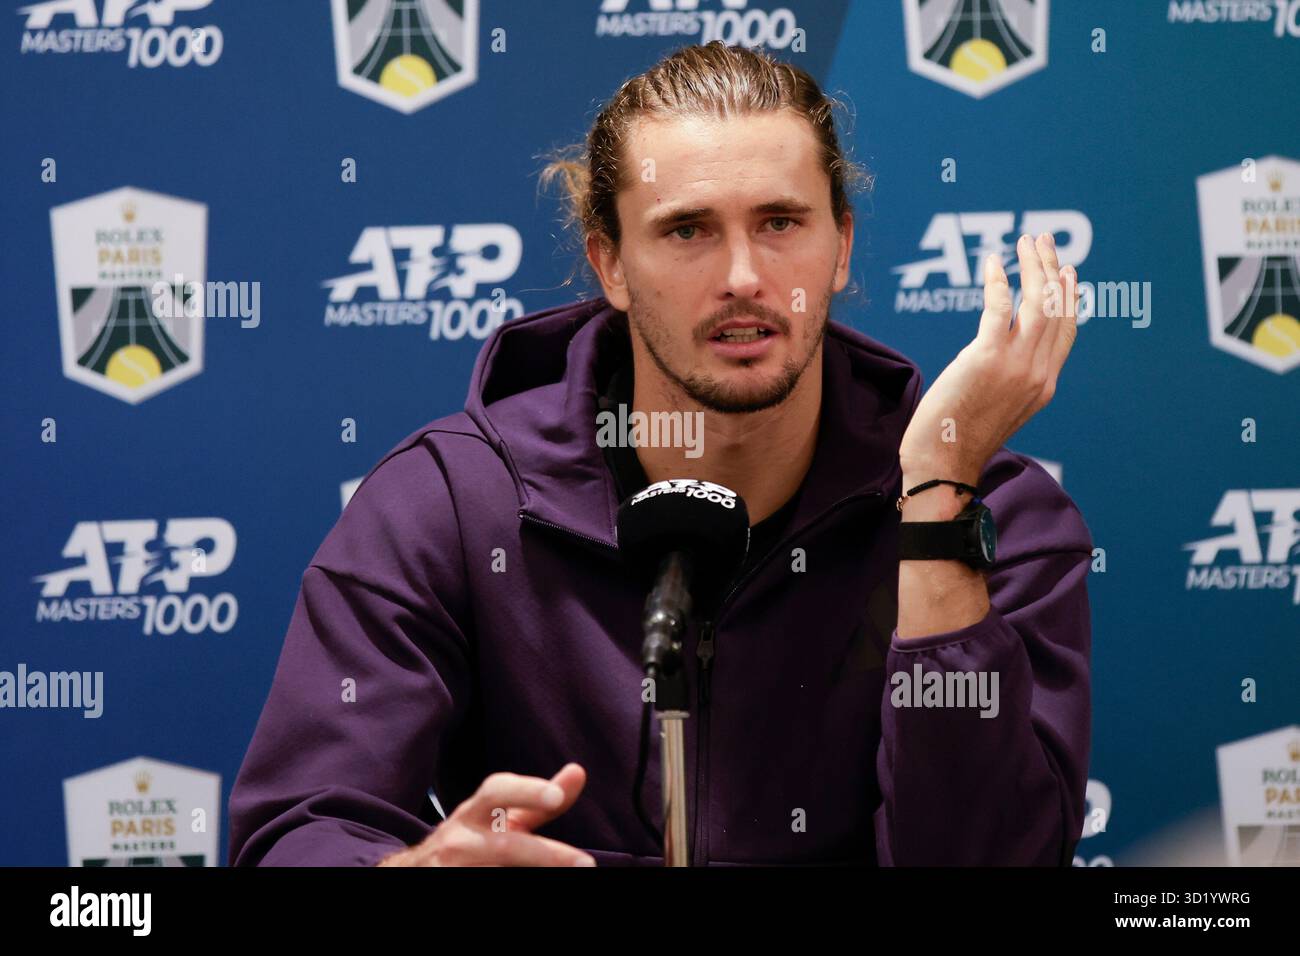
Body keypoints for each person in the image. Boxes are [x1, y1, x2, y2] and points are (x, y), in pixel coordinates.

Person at [228, 41, 1091, 867]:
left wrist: (936, 512)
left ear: (843, 248)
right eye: (687, 232)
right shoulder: (450, 507)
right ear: (610, 263)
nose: (745, 277)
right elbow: (299, 830)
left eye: (782, 222)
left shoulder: (996, 515)